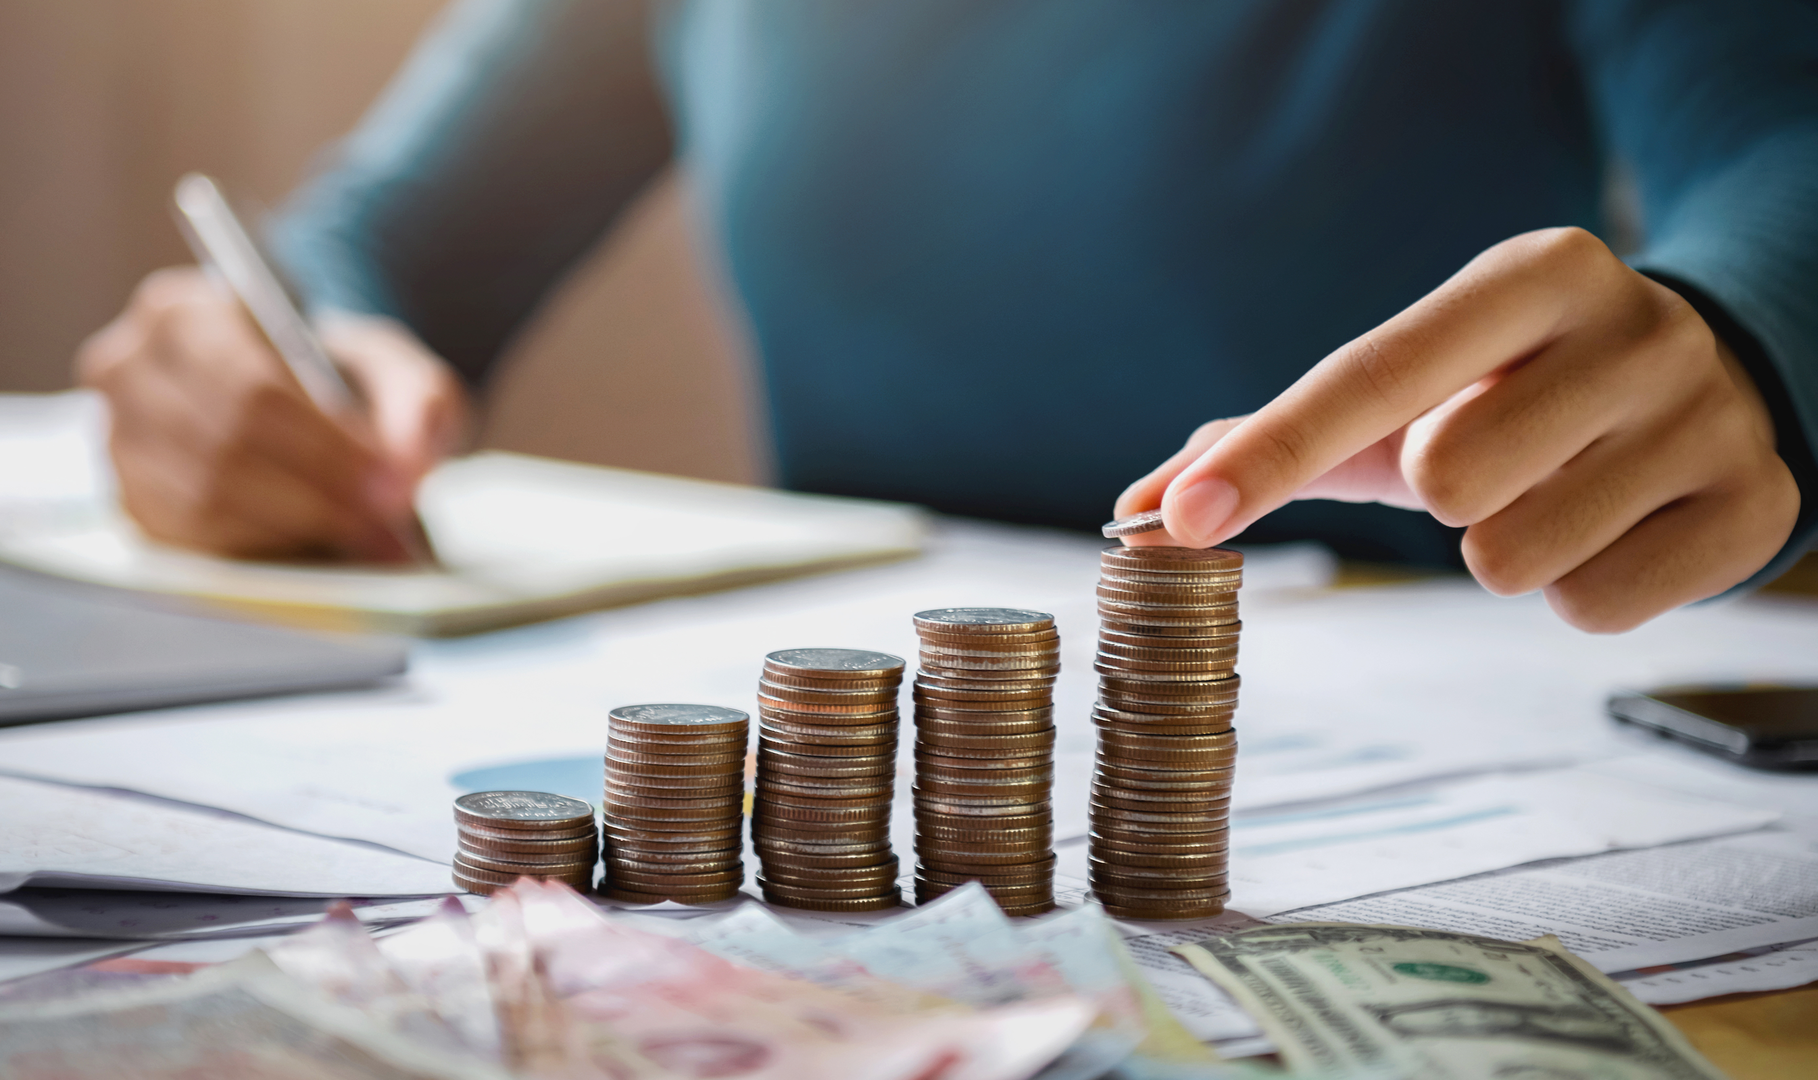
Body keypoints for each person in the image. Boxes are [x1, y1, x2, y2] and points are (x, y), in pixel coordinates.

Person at [77, 0, 1817, 631]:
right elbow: (383, 241)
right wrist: (256, 362)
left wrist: (1742, 330)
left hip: (1461, 717)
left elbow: (1781, 146)